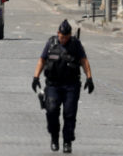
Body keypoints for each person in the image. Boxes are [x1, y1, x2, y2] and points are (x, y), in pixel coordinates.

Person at [31, 20, 94, 153]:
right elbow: (42, 60)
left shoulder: (75, 44)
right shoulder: (51, 43)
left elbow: (84, 60)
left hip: (71, 85)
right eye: (61, 36)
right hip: (53, 85)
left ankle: (67, 141)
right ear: (57, 33)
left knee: (69, 113)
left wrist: (89, 77)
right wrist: (36, 77)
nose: (63, 39)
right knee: (52, 110)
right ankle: (54, 137)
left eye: (66, 37)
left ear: (70, 35)